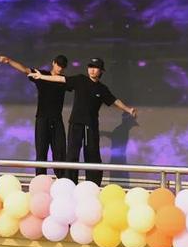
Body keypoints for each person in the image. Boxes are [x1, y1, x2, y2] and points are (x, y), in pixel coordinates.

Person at [28, 57, 137, 186]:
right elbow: (61, 79)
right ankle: (70, 183)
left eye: (95, 67)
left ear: (101, 71)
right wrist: (41, 77)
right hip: (76, 124)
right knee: (72, 155)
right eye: (90, 67)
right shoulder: (80, 80)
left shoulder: (102, 89)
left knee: (92, 155)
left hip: (91, 126)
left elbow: (114, 100)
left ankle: (92, 184)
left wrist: (128, 109)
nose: (92, 70)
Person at [0, 54, 69, 177]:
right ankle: (40, 180)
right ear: (53, 63)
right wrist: (9, 61)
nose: (60, 68)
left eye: (62, 66)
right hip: (42, 119)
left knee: (60, 153)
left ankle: (62, 180)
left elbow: (78, 84)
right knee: (41, 153)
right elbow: (25, 70)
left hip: (57, 121)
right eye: (58, 65)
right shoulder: (41, 74)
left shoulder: (63, 80)